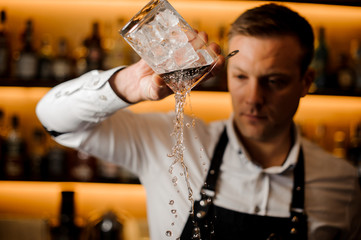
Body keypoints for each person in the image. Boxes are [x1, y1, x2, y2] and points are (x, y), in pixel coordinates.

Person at [36, 3, 361, 240]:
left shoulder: (342, 184)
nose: (253, 97)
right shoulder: (166, 142)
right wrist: (130, 83)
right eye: (241, 76)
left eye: (274, 81)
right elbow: (53, 119)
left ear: (306, 82)